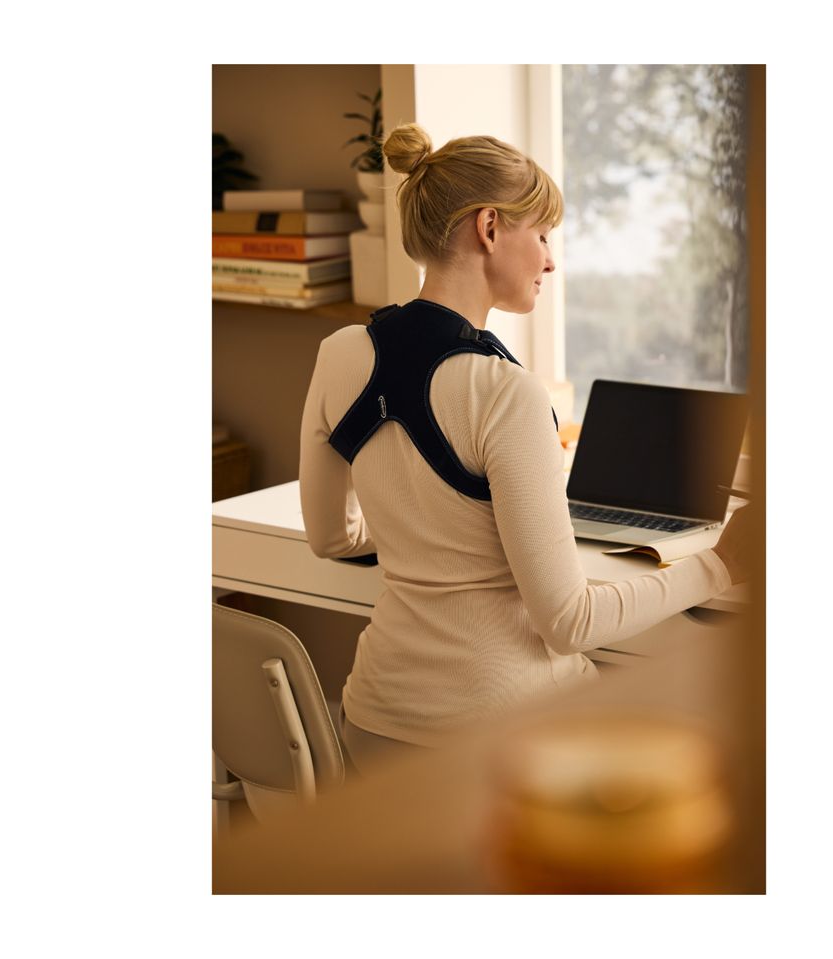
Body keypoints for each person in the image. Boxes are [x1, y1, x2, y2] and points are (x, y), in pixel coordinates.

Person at [299, 123, 753, 772]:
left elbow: (331, 538)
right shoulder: (504, 391)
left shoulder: (341, 351)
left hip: (374, 725)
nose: (549, 259)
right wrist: (722, 565)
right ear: (489, 229)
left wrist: (436, 527)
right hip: (502, 739)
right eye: (541, 235)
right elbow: (569, 622)